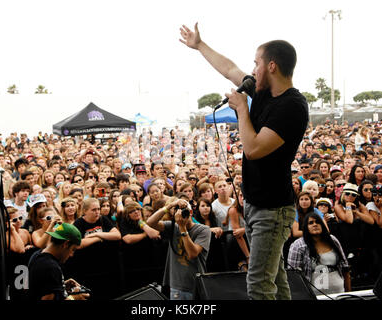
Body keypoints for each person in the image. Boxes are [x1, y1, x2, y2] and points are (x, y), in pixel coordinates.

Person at [180, 23, 308, 299]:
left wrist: (241, 109)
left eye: (256, 63)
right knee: (277, 279)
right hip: (256, 204)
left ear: (271, 66)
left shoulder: (292, 106)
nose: (251, 70)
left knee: (259, 284)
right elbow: (229, 68)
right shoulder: (263, 93)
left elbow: (253, 149)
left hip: (272, 210)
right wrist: (200, 45)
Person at [146, 198, 211, 300]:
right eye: (180, 212)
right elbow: (150, 222)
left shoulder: (203, 230)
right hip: (177, 285)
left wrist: (182, 228)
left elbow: (192, 254)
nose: (183, 215)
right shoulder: (172, 226)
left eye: (186, 211)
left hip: (196, 284)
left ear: (191, 212)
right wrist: (169, 206)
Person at [287, 212, 351, 295]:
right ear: (305, 227)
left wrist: (349, 293)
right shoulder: (298, 245)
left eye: (318, 222)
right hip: (314, 295)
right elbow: (294, 276)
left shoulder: (333, 240)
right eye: (311, 223)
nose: (315, 225)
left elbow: (345, 269)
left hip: (339, 292)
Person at [28, 222, 90, 300]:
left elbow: (40, 287)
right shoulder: (51, 267)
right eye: (73, 249)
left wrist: (61, 286)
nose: (71, 255)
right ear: (66, 244)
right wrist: (74, 298)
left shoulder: (37, 254)